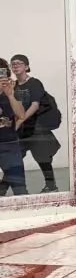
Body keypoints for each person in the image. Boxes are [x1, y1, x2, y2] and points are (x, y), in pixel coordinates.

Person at [7, 55, 61, 192]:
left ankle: (51, 186)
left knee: (43, 159)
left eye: (19, 63)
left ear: (26, 66)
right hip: (21, 131)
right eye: (13, 64)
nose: (15, 66)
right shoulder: (13, 85)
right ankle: (6, 190)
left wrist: (20, 120)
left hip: (36, 129)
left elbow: (35, 105)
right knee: (12, 160)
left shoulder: (35, 83)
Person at [0, 59, 27, 196]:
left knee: (20, 189)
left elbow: (21, 115)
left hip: (9, 144)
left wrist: (10, 95)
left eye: (2, 73)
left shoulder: (11, 91)